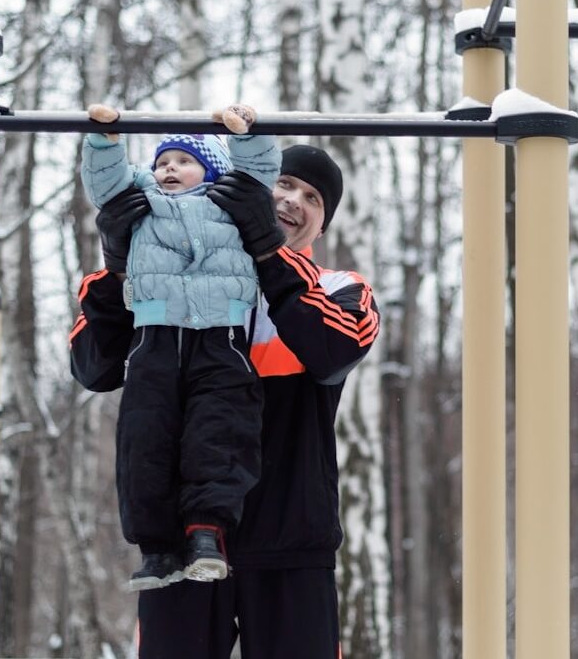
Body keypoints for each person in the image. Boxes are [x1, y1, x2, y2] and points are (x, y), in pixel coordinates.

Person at [69, 143, 379, 658]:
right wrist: (122, 268)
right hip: (183, 545)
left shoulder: (338, 288)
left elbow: (332, 352)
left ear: (322, 227)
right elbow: (93, 368)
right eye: (282, 184)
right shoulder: (161, 281)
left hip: (290, 543)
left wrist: (265, 250)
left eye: (312, 198)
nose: (292, 201)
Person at [79, 103, 281, 591]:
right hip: (155, 336)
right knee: (147, 437)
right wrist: (105, 140)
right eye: (162, 162)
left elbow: (259, 171)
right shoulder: (144, 200)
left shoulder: (229, 201)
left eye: (183, 161)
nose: (169, 169)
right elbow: (105, 184)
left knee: (218, 433)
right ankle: (156, 548)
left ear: (211, 169)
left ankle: (207, 532)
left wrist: (244, 133)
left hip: (220, 337)